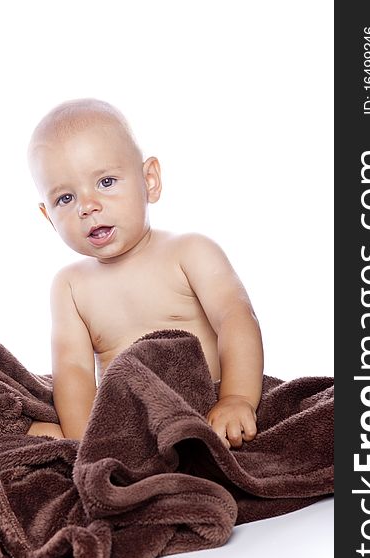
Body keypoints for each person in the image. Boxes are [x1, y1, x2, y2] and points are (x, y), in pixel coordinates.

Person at [26, 98, 263, 449]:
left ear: (149, 180)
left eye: (106, 181)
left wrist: (237, 399)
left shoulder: (190, 252)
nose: (87, 206)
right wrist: (84, 443)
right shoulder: (70, 286)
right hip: (125, 424)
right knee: (14, 414)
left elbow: (237, 319)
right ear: (49, 217)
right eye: (65, 199)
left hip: (200, 409)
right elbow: (73, 370)